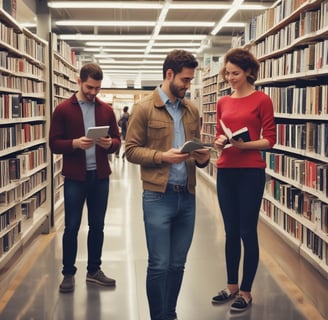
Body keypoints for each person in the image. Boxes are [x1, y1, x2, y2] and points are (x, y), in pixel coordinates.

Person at [125, 49, 210, 320]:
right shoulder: (143, 109)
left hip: (187, 196)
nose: (188, 85)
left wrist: (203, 158)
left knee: (177, 264)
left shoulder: (192, 110)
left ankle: (170, 313)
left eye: (190, 81)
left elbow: (196, 153)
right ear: (169, 74)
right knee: (159, 265)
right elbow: (130, 151)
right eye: (185, 80)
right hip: (157, 197)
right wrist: (162, 156)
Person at [211, 47, 276, 311]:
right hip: (226, 169)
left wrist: (244, 146)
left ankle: (247, 291)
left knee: (248, 231)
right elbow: (218, 132)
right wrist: (220, 142)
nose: (230, 78)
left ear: (249, 71)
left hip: (251, 171)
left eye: (235, 73)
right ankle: (231, 286)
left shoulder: (262, 99)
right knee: (230, 232)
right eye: (227, 73)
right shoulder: (223, 102)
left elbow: (270, 139)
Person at [49, 62, 121, 293]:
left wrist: (110, 144)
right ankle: (68, 273)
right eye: (89, 87)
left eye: (97, 88)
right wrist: (74, 143)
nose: (93, 92)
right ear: (79, 81)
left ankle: (94, 270)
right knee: (71, 227)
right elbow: (53, 144)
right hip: (75, 178)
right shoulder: (63, 109)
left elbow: (117, 141)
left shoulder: (106, 110)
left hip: (100, 177)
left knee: (97, 226)